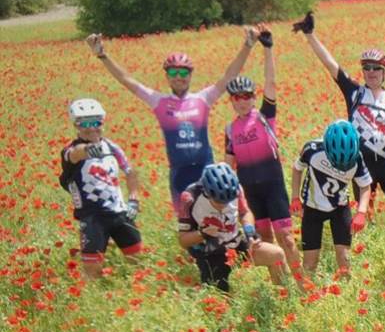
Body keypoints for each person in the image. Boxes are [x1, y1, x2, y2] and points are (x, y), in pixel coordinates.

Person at [85, 28, 257, 208]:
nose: (178, 78)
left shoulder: (203, 99)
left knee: (217, 219)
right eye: (173, 73)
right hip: (179, 174)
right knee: (186, 223)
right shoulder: (159, 101)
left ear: (190, 75)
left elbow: (229, 76)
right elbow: (127, 80)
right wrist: (102, 55)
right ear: (167, 77)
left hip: (206, 170)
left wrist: (247, 45)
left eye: (183, 73)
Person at [291, 11, 385, 215]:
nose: (371, 72)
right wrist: (310, 35)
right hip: (362, 161)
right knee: (365, 211)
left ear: (384, 72)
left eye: (376, 68)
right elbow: (331, 65)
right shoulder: (355, 93)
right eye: (367, 68)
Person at [222, 25, 301, 282]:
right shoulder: (230, 129)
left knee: (287, 239)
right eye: (236, 98)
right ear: (231, 101)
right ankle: (282, 288)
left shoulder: (265, 117)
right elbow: (228, 166)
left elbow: (271, 83)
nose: (242, 101)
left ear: (253, 98)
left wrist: (268, 49)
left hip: (273, 187)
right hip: (251, 192)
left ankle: (303, 285)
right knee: (265, 241)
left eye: (246, 96)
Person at [60, 98, 143, 279]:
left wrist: (134, 199)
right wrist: (88, 150)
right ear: (76, 125)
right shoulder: (70, 150)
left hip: (120, 213)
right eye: (85, 123)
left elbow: (130, 172)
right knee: (93, 273)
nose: (91, 128)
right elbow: (75, 154)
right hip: (93, 218)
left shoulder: (112, 147)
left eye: (96, 122)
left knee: (139, 263)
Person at [177, 163, 284, 292]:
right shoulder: (189, 197)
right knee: (221, 298)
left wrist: (250, 233)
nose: (223, 205)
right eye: (218, 202)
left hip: (236, 244)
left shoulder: (236, 188)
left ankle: (281, 297)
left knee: (277, 255)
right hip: (210, 254)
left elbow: (244, 213)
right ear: (207, 192)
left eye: (227, 201)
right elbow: (183, 240)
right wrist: (203, 233)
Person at [289, 120, 372, 279]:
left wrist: (361, 212)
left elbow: (365, 186)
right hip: (312, 208)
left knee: (344, 260)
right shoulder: (312, 150)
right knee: (310, 264)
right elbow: (297, 169)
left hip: (339, 208)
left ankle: (347, 292)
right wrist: (295, 198)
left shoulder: (357, 158)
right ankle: (308, 292)